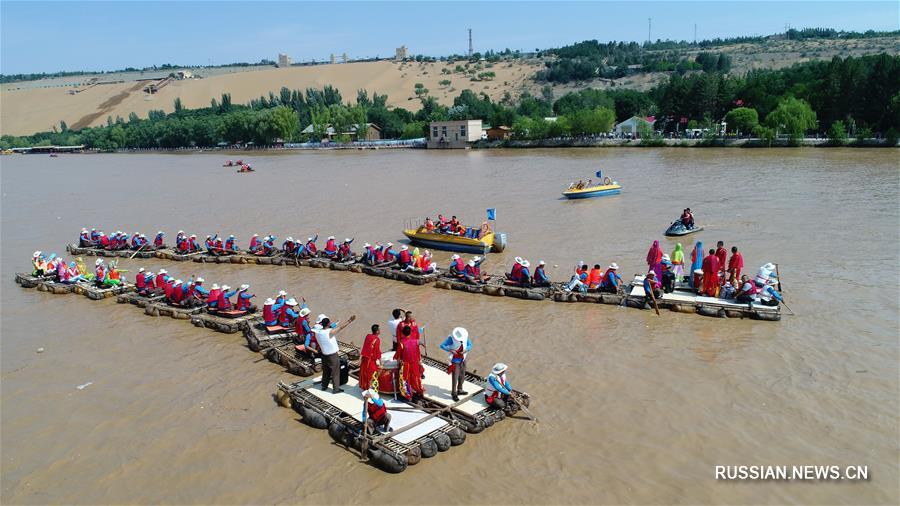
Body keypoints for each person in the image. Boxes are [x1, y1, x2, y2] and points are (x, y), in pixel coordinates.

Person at [316, 314, 356, 394]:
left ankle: (324, 386)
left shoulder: (318, 332)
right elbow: (340, 328)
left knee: (326, 372)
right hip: (332, 356)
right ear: (328, 324)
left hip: (324, 355)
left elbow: (331, 328)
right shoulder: (329, 332)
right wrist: (349, 321)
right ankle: (336, 389)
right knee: (335, 372)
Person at [440, 327, 472, 401]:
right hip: (455, 361)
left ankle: (460, 389)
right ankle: (454, 393)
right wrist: (450, 350)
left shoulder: (465, 337)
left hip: (463, 359)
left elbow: (470, 345)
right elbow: (442, 345)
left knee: (462, 375)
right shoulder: (451, 338)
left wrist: (466, 350)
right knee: (455, 377)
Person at [394, 325, 424, 400]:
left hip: (406, 364)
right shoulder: (415, 341)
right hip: (415, 363)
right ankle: (419, 391)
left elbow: (398, 354)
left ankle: (408, 395)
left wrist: (397, 359)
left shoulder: (401, 343)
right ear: (410, 332)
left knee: (405, 379)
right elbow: (418, 352)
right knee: (416, 377)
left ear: (403, 333)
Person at [358, 324, 382, 390]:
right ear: (377, 331)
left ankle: (364, 387)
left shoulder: (368, 336)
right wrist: (379, 360)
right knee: (371, 374)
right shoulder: (377, 339)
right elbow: (376, 351)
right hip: (370, 361)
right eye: (379, 330)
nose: (380, 331)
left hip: (365, 359)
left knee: (364, 373)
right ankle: (370, 389)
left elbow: (366, 347)